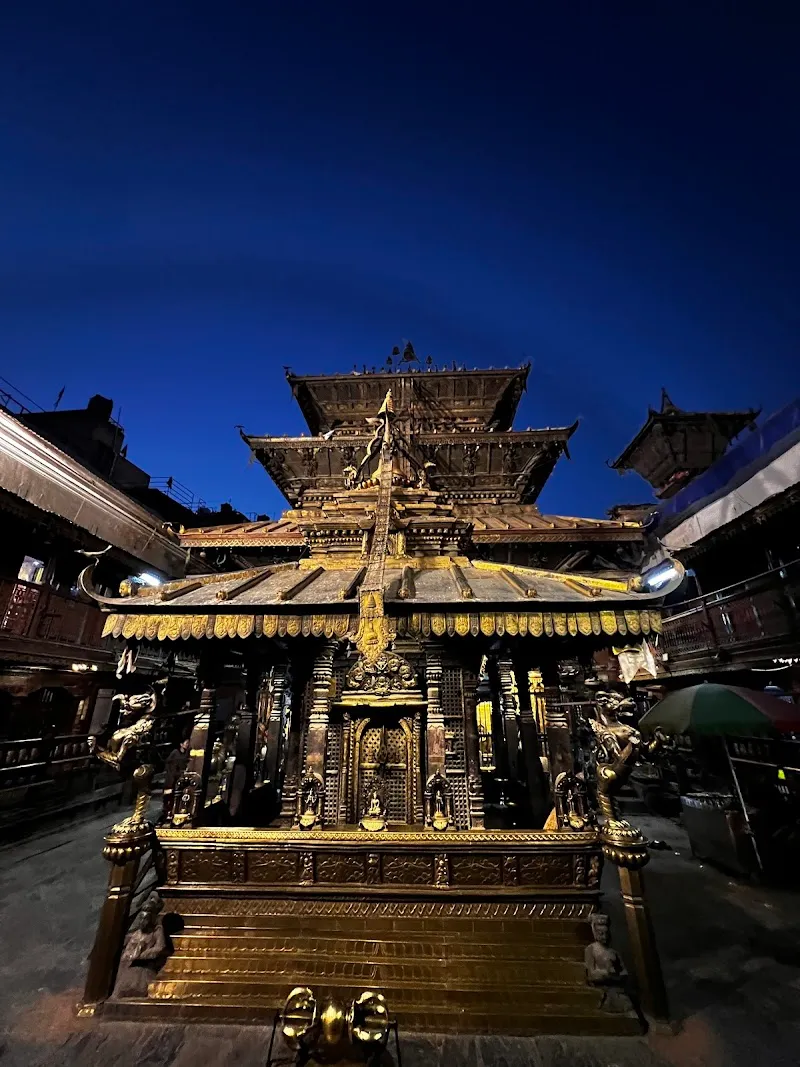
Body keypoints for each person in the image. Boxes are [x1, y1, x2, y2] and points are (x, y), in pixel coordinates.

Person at [160, 737, 190, 824]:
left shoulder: (186, 754)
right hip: (171, 779)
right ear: (181, 744)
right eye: (186, 743)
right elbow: (171, 767)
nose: (187, 745)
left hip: (180, 778)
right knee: (168, 797)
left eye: (188, 743)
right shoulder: (175, 753)